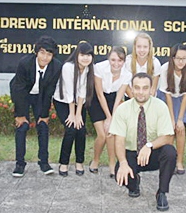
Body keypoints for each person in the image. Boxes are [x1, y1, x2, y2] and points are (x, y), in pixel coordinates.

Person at [110, 72, 176, 212]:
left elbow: (168, 137)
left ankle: (162, 193)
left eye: (145, 88)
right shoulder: (122, 109)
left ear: (152, 89)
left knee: (170, 152)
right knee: (120, 173)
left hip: (152, 153)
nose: (141, 92)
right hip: (132, 153)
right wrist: (122, 163)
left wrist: (149, 145)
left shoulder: (160, 106)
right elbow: (119, 141)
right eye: (137, 88)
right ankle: (135, 183)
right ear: (131, 89)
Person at [10, 36, 62, 177]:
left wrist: (44, 115)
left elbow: (49, 92)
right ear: (36, 52)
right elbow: (19, 89)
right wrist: (20, 115)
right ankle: (19, 164)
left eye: (49, 54)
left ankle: (44, 162)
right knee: (22, 127)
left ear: (53, 55)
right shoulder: (25, 63)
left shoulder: (56, 66)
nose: (45, 57)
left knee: (43, 126)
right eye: (42, 52)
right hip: (23, 94)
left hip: (41, 95)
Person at [89, 46, 132, 178]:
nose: (116, 64)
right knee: (102, 134)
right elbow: (100, 94)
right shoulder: (99, 68)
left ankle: (112, 164)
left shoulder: (127, 74)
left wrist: (112, 118)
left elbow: (119, 97)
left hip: (113, 99)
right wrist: (108, 117)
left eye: (120, 60)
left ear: (124, 61)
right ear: (108, 59)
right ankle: (95, 160)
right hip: (96, 99)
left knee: (111, 133)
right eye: (113, 60)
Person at [53, 41, 95, 177]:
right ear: (77, 55)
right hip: (63, 101)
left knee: (81, 130)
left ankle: (79, 162)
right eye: (83, 54)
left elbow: (82, 92)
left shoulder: (88, 68)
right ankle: (63, 163)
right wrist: (72, 114)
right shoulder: (68, 67)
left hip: (78, 103)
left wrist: (78, 115)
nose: (86, 58)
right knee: (71, 129)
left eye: (89, 55)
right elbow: (69, 92)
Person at [157, 43, 186, 175]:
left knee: (180, 128)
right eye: (178, 58)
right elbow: (167, 95)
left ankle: (179, 161)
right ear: (172, 58)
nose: (181, 61)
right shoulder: (165, 69)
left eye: (184, 58)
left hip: (182, 99)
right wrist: (172, 119)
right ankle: (169, 162)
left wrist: (179, 119)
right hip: (167, 98)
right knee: (169, 130)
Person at [125, 33, 161, 97]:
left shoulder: (155, 63)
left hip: (148, 99)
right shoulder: (127, 61)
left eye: (145, 47)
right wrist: (136, 102)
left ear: (149, 48)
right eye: (139, 46)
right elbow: (125, 86)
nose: (142, 50)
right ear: (134, 47)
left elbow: (153, 89)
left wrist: (144, 104)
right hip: (131, 98)